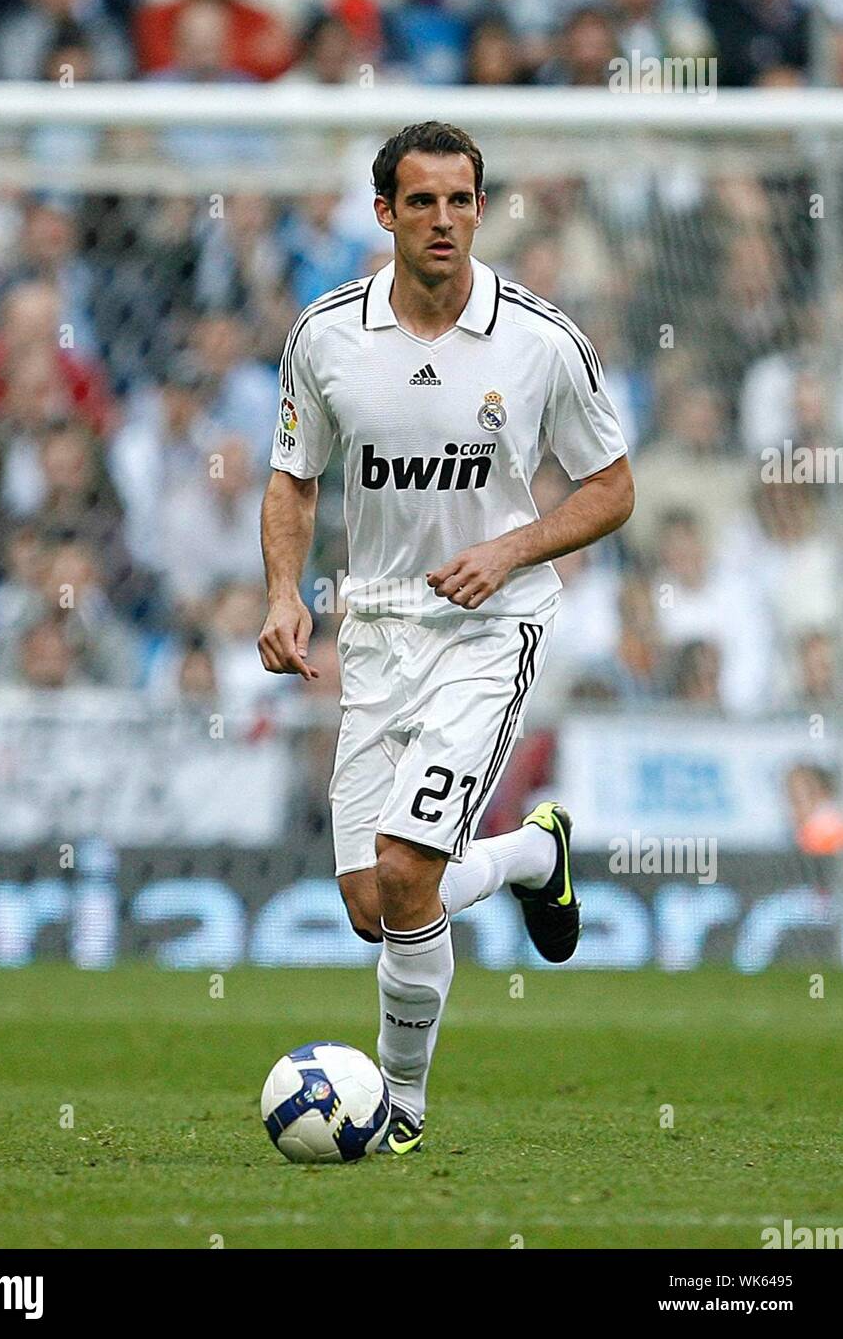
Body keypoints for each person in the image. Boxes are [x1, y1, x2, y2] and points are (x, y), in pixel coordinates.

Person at [257, 121, 634, 1154]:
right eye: (419, 201)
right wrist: (285, 590)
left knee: (407, 866)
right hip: (376, 629)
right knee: (374, 908)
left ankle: (402, 1111)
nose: (442, 219)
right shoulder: (327, 334)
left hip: (490, 626)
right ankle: (526, 854)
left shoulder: (541, 339)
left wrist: (511, 551)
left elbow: (612, 487)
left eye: (460, 200)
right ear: (384, 213)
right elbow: (293, 476)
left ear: (480, 207)